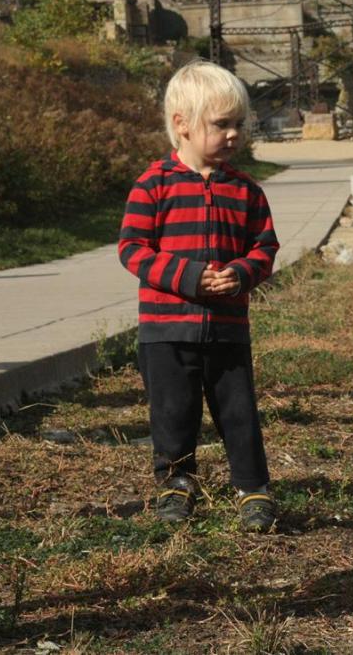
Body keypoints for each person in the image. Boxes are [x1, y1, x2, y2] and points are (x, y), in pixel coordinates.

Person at [118, 61, 280, 532]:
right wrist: (189, 277)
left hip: (228, 330)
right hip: (165, 331)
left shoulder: (246, 191)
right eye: (220, 124)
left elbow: (264, 249)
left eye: (238, 125)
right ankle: (175, 484)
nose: (233, 135)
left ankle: (253, 489)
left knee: (239, 412)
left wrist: (241, 274)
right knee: (173, 412)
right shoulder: (154, 185)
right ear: (181, 125)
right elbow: (132, 249)